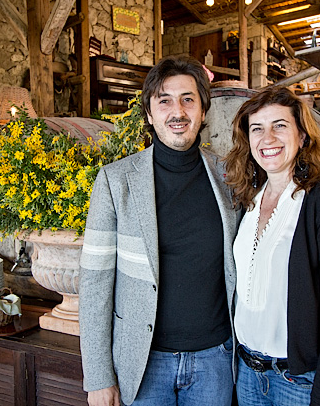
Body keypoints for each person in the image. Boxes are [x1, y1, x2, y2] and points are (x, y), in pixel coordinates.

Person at [79, 55, 238, 406]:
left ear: (202, 110)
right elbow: (94, 284)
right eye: (164, 100)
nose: (177, 111)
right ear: (150, 115)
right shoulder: (115, 180)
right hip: (144, 363)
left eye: (188, 99)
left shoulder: (229, 177)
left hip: (215, 360)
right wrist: (98, 375)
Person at [224, 86, 320, 406]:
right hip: (248, 375)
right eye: (257, 128)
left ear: (302, 136)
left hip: (301, 382)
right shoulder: (249, 201)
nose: (267, 137)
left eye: (280, 125)